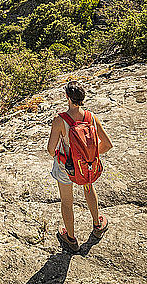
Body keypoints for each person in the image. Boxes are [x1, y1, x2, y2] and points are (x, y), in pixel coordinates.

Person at [47, 80, 113, 252]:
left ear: (67, 97)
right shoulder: (91, 118)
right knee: (89, 189)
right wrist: (87, 157)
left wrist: (66, 159)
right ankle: (98, 225)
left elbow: (50, 149)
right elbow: (107, 144)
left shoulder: (59, 120)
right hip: (86, 167)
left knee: (67, 202)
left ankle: (70, 239)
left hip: (66, 168)